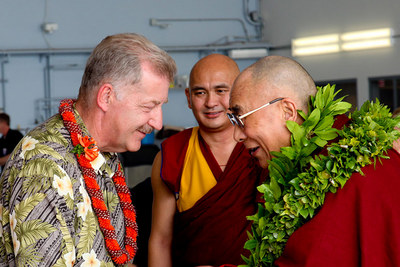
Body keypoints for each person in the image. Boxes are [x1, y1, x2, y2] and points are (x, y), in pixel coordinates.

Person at [0, 33, 177, 267]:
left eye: (160, 106)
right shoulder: (44, 164)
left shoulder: (104, 152)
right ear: (106, 97)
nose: (158, 123)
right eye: (148, 106)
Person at [228, 55, 400, 266]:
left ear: (287, 111)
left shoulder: (352, 168)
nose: (237, 135)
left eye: (241, 118)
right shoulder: (299, 165)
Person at [148, 54, 265, 267]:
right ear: (188, 97)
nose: (211, 103)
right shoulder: (173, 154)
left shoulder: (263, 146)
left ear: (240, 91)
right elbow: (161, 239)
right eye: (200, 92)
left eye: (221, 91)